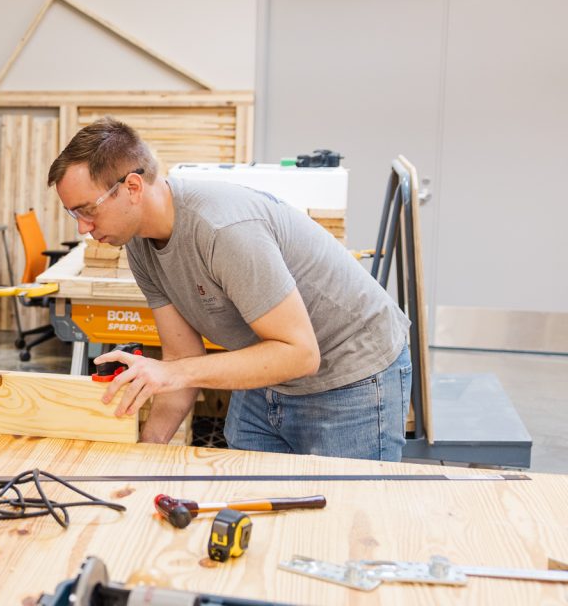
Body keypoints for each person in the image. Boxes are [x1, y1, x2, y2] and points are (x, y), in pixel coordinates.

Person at [47, 118, 411, 461]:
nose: (82, 228)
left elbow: (300, 354)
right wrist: (145, 453)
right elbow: (180, 356)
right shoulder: (140, 243)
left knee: (341, 520)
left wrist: (176, 373)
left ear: (132, 187)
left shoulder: (224, 229)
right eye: (73, 214)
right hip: (267, 370)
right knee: (250, 506)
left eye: (87, 210)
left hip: (350, 376)